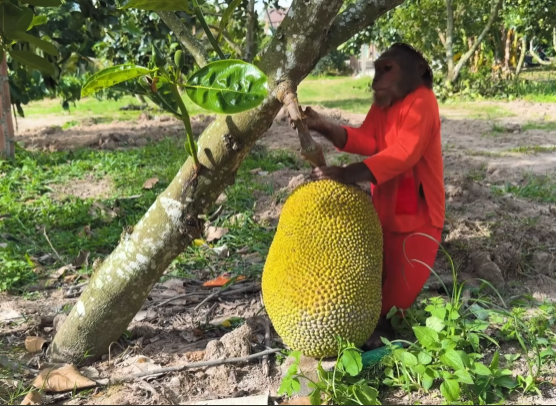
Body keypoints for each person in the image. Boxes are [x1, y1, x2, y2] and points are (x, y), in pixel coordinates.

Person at [295, 43, 445, 348]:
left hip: (420, 216)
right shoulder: (384, 104)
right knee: (376, 279)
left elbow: (405, 153)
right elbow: (367, 138)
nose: (377, 79)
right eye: (377, 70)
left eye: (387, 69)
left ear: (417, 71)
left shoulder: (423, 102)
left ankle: (380, 330)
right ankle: (365, 324)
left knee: (395, 301)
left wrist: (347, 173)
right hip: (386, 208)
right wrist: (324, 126)